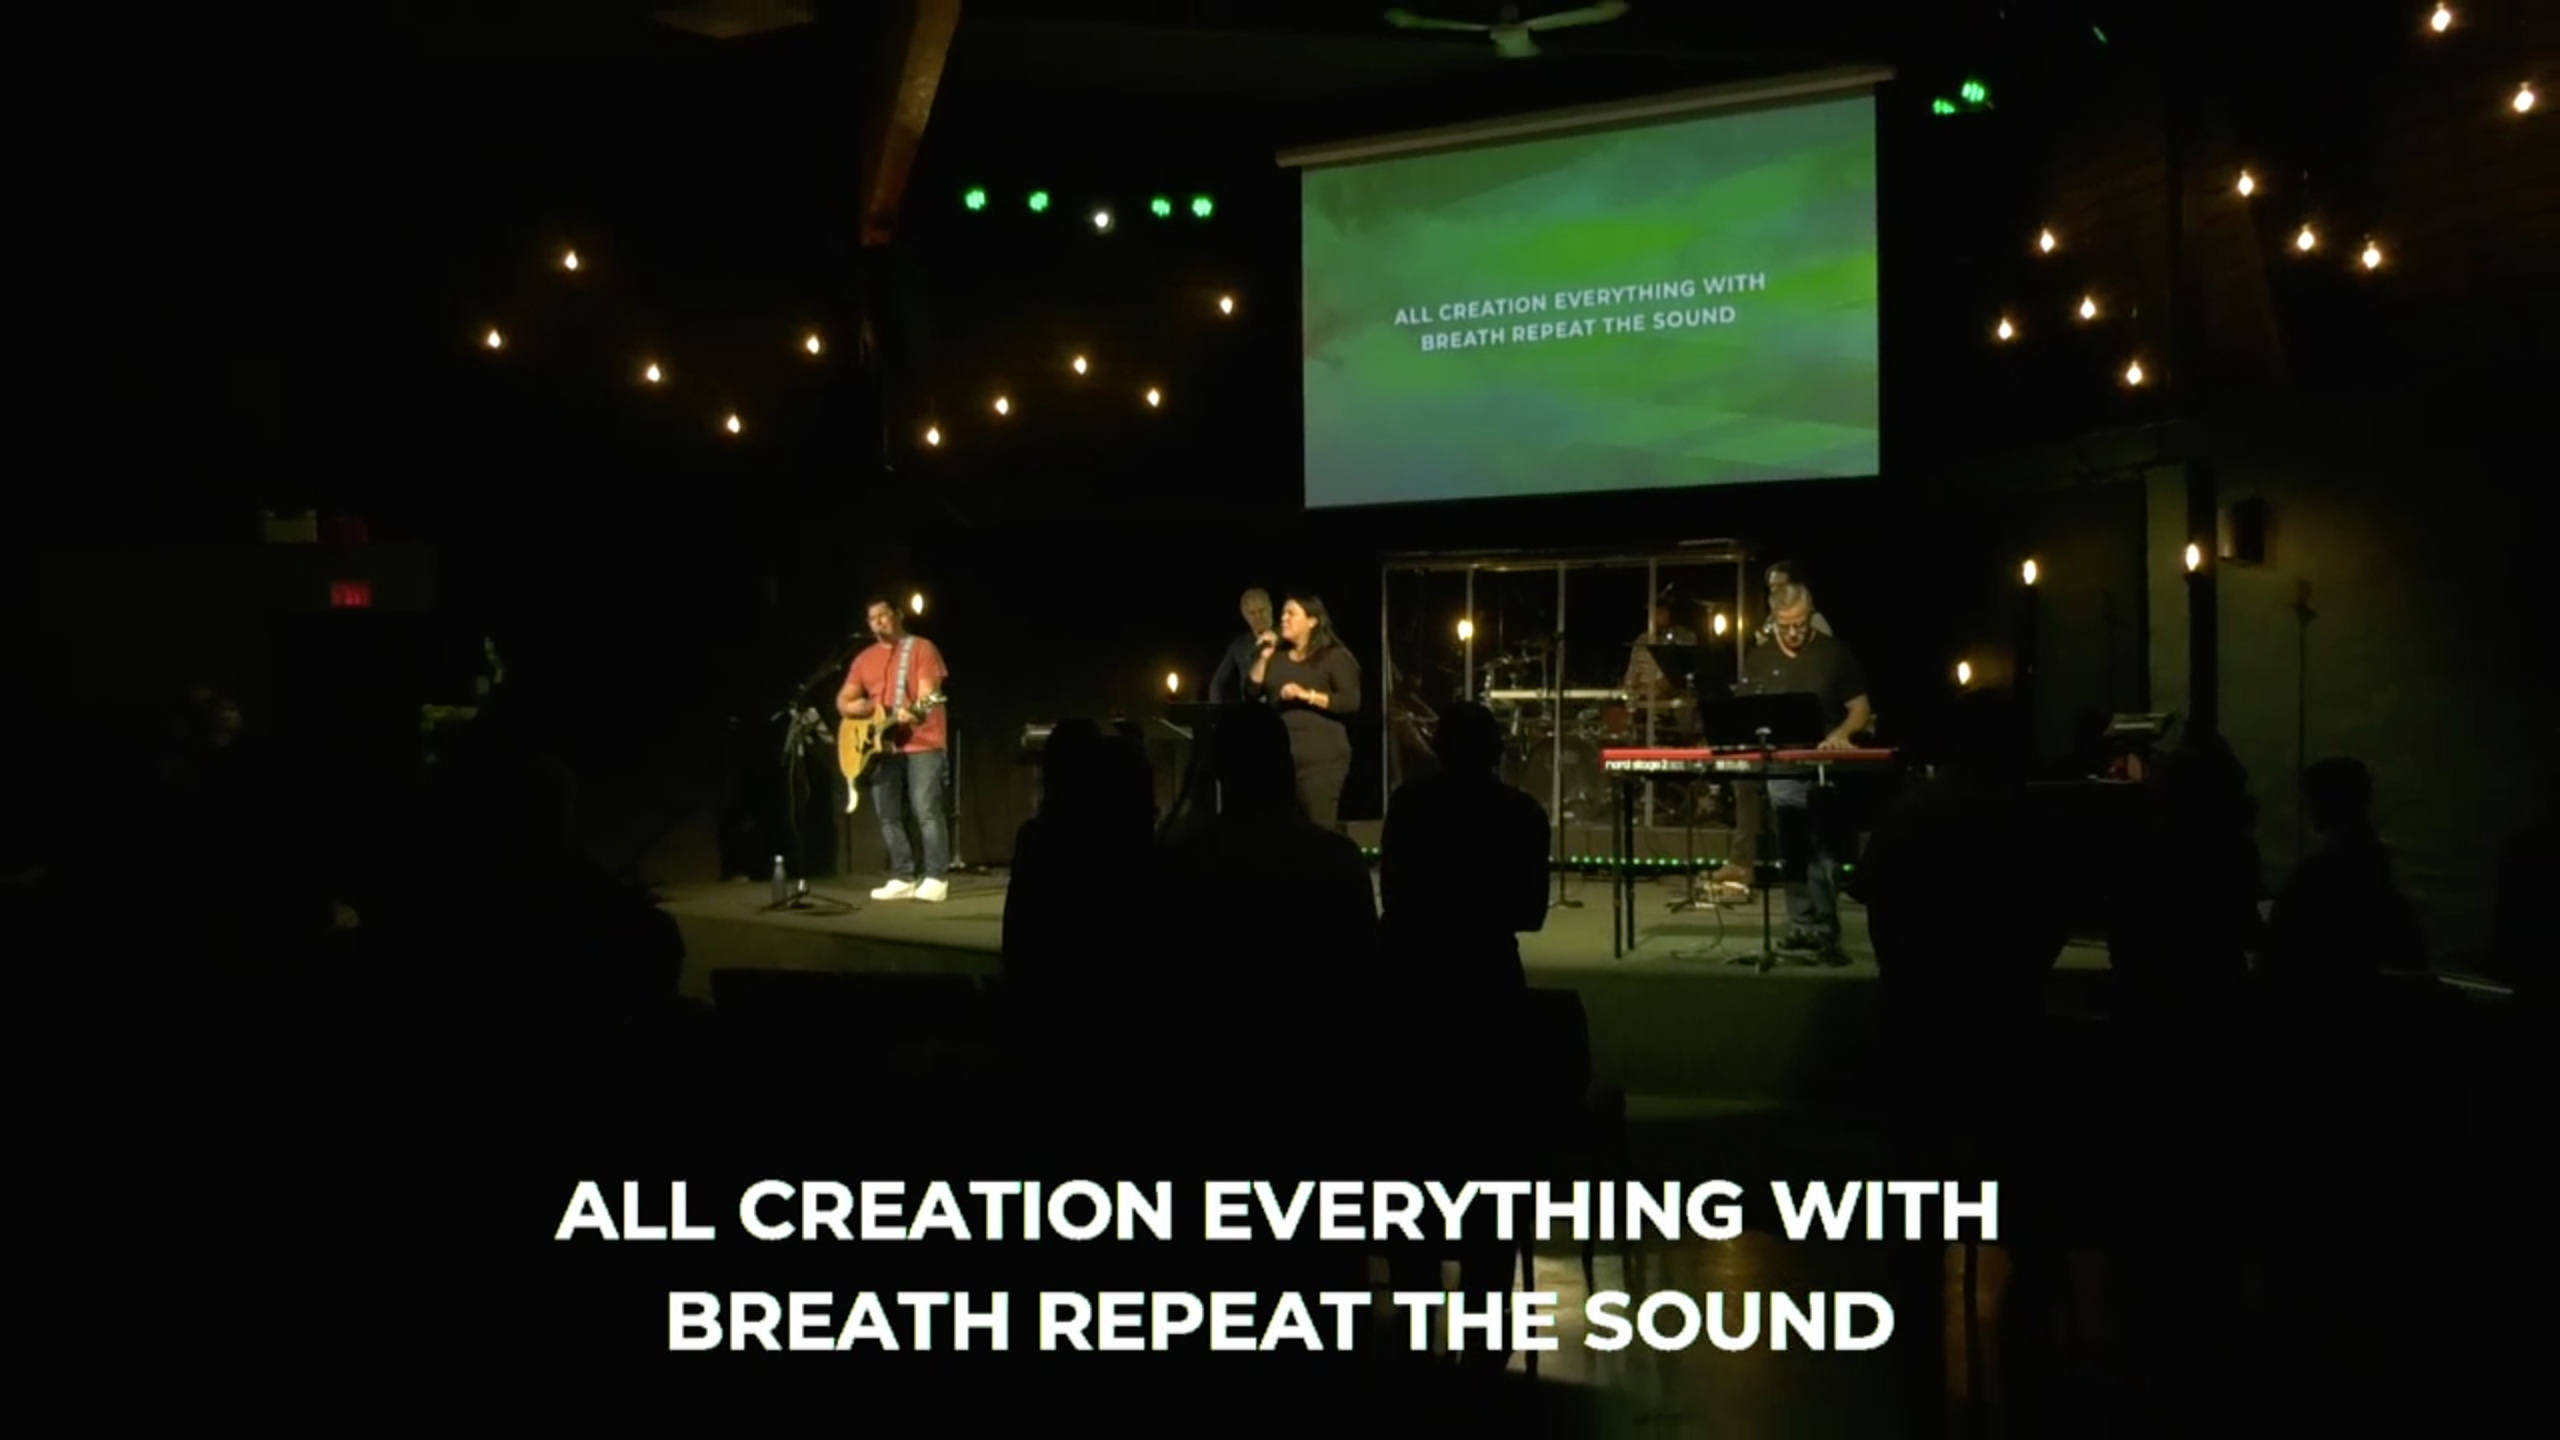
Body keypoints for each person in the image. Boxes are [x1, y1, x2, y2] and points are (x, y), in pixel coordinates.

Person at [1738, 585, 1870, 963]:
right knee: (1793, 848)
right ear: (1773, 622)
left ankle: (1825, 930)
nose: (1794, 633)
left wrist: (1840, 735)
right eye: (1785, 626)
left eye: (1800, 624)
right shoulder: (1760, 658)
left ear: (1811, 616)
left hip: (1825, 767)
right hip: (1782, 766)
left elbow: (1860, 708)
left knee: (1822, 850)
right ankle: (1801, 925)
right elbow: (1748, 710)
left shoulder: (1834, 654)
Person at [1380, 702, 1549, 991]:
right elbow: (1531, 913)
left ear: (1438, 748)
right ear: (1496, 751)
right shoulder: (1523, 812)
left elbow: (1394, 895)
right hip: (1489, 967)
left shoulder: (1408, 804)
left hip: (1414, 969)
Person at [837, 597, 951, 902]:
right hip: (883, 746)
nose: (878, 622)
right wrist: (860, 708)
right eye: (872, 618)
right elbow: (844, 700)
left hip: (923, 741)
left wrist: (913, 711)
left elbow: (929, 695)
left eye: (883, 615)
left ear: (898, 615)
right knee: (888, 814)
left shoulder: (922, 648)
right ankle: (903, 876)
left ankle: (936, 877)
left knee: (926, 810)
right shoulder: (864, 659)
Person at [1249, 593, 1362, 830]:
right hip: (1280, 759)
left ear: (1312, 621)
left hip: (1320, 760)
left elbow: (1350, 701)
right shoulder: (1277, 658)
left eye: (1292, 613)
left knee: (1318, 829)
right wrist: (1264, 656)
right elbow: (1251, 691)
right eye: (1283, 613)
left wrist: (1306, 695)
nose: (1284, 618)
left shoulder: (1333, 657)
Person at [1206, 588, 1276, 704]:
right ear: (1245, 616)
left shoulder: (1285, 638)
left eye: (1261, 611)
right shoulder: (1239, 645)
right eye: (1252, 613)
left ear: (1270, 609)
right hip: (1250, 709)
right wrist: (1216, 709)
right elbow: (1218, 682)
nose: (1258, 616)